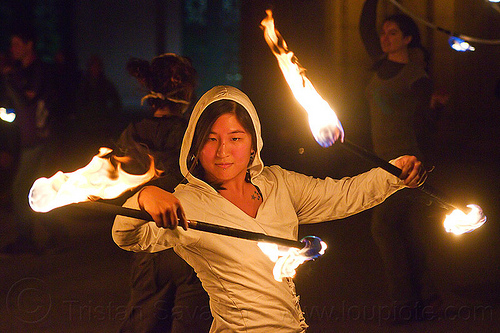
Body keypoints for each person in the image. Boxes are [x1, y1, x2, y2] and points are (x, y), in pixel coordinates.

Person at [112, 85, 428, 332]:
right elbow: (127, 237)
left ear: (253, 143)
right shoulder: (189, 201)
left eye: (235, 138)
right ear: (195, 144)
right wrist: (145, 197)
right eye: (211, 139)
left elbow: (345, 194)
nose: (223, 151)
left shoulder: (279, 184)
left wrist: (394, 174)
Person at [115, 53, 211, 333]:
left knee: (144, 325)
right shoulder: (196, 137)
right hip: (189, 250)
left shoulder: (132, 134)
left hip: (148, 254)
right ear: (187, 91)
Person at [359, 0, 441, 323]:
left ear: (408, 38)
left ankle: (404, 304)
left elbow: (428, 127)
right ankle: (429, 296)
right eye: (384, 33)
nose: (385, 37)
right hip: (382, 163)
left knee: (382, 226)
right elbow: (365, 28)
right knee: (404, 229)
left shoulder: (416, 77)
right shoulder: (379, 64)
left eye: (393, 33)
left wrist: (426, 167)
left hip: (407, 165)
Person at [0, 26, 61, 254]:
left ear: (29, 45)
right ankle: (55, 233)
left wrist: (10, 78)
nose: (12, 49)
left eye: (17, 44)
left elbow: (28, 100)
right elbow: (11, 110)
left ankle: (30, 237)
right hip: (27, 140)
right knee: (38, 187)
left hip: (41, 139)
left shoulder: (39, 70)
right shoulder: (18, 71)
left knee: (21, 188)